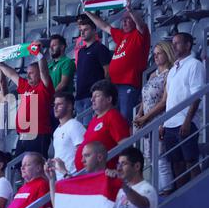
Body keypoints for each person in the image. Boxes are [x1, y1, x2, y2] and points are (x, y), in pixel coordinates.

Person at [85, 0, 151, 123]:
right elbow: (104, 27)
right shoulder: (122, 36)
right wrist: (88, 13)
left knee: (125, 119)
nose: (124, 22)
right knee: (113, 120)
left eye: (127, 19)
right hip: (114, 85)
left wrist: (130, 10)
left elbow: (141, 25)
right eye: (123, 20)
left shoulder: (140, 34)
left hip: (129, 84)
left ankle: (128, 143)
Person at [161, 32, 205, 189]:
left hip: (186, 121)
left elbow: (196, 95)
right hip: (170, 123)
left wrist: (187, 121)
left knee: (191, 161)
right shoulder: (173, 69)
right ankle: (182, 200)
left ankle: (201, 196)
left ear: (188, 45)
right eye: (173, 43)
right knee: (176, 164)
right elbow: (170, 99)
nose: (173, 46)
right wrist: (163, 122)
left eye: (177, 43)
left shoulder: (194, 65)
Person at [0, 41, 55, 159]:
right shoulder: (26, 86)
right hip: (23, 135)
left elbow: (44, 71)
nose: (27, 76)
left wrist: (39, 55)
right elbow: (12, 74)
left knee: (36, 165)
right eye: (27, 73)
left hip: (39, 133)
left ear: (39, 74)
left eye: (31, 73)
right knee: (20, 167)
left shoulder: (44, 86)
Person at [133, 41, 175, 195]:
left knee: (161, 157)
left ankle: (166, 189)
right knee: (149, 156)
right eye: (155, 54)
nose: (156, 57)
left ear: (167, 53)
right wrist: (139, 114)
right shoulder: (152, 75)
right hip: (147, 120)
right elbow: (145, 98)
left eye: (159, 53)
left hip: (159, 119)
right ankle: (156, 189)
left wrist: (146, 118)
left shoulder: (170, 73)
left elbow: (164, 101)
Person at [75, 80, 130, 172]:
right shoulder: (94, 119)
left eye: (97, 96)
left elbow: (125, 146)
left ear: (109, 99)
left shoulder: (113, 116)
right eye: (92, 97)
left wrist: (119, 171)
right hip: (90, 175)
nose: (92, 99)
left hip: (104, 175)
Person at [75, 15, 112, 126]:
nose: (82, 33)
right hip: (79, 97)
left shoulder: (100, 48)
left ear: (94, 30)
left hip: (92, 97)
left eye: (85, 29)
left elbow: (107, 72)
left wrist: (103, 92)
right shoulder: (81, 51)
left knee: (89, 129)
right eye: (81, 30)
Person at [51, 92, 85, 180]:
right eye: (54, 104)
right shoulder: (56, 131)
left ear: (70, 106)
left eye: (59, 104)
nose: (55, 108)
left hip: (73, 177)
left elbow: (82, 152)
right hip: (60, 179)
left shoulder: (75, 125)